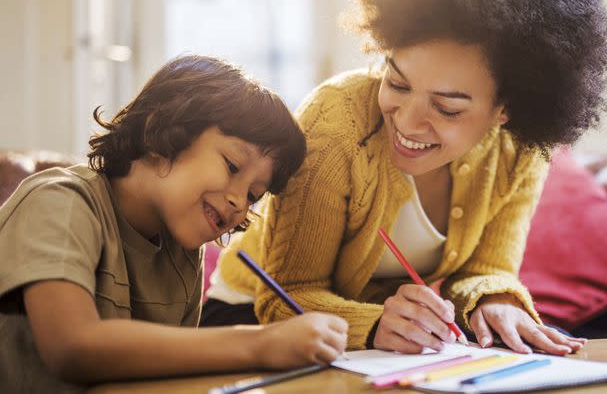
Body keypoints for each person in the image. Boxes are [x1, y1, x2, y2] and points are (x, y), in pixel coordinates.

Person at [204, 0, 607, 355]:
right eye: (397, 83)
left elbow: (485, 269)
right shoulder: (335, 124)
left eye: (446, 108)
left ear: (504, 110)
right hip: (253, 318)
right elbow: (286, 297)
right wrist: (375, 323)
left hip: (378, 337)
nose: (405, 121)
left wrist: (495, 300)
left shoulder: (516, 151)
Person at [0, 55, 348, 393]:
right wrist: (261, 343)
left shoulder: (182, 253)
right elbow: (71, 347)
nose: (239, 202)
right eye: (231, 166)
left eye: (254, 195)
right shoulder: (60, 201)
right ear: (159, 133)